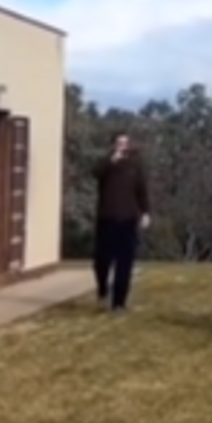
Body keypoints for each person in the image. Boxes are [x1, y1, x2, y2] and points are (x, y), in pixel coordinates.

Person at [91, 131, 151, 312]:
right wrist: (112, 161)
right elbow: (96, 173)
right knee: (101, 260)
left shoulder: (135, 166)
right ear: (113, 145)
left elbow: (142, 190)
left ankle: (119, 303)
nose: (122, 147)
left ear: (129, 146)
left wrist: (146, 212)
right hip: (106, 218)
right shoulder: (106, 163)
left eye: (125, 143)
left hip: (128, 219)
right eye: (119, 143)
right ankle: (103, 288)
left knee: (124, 262)